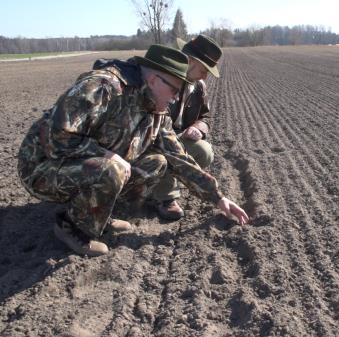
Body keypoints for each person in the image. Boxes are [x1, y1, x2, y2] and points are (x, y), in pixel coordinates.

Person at [17, 45, 249, 257]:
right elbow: (57, 137)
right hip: (43, 168)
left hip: (86, 166)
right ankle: (73, 226)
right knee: (113, 167)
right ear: (155, 80)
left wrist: (218, 198)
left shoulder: (156, 110)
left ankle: (98, 215)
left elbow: (178, 158)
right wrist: (107, 155)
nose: (176, 98)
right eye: (174, 90)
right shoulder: (102, 87)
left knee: (157, 163)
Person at [151, 35, 221, 221]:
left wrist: (199, 127)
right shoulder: (164, 81)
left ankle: (173, 178)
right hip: (154, 140)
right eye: (204, 70)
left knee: (204, 151)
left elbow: (205, 116)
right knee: (166, 153)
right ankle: (166, 198)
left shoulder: (199, 87)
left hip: (178, 137)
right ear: (189, 61)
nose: (205, 76)